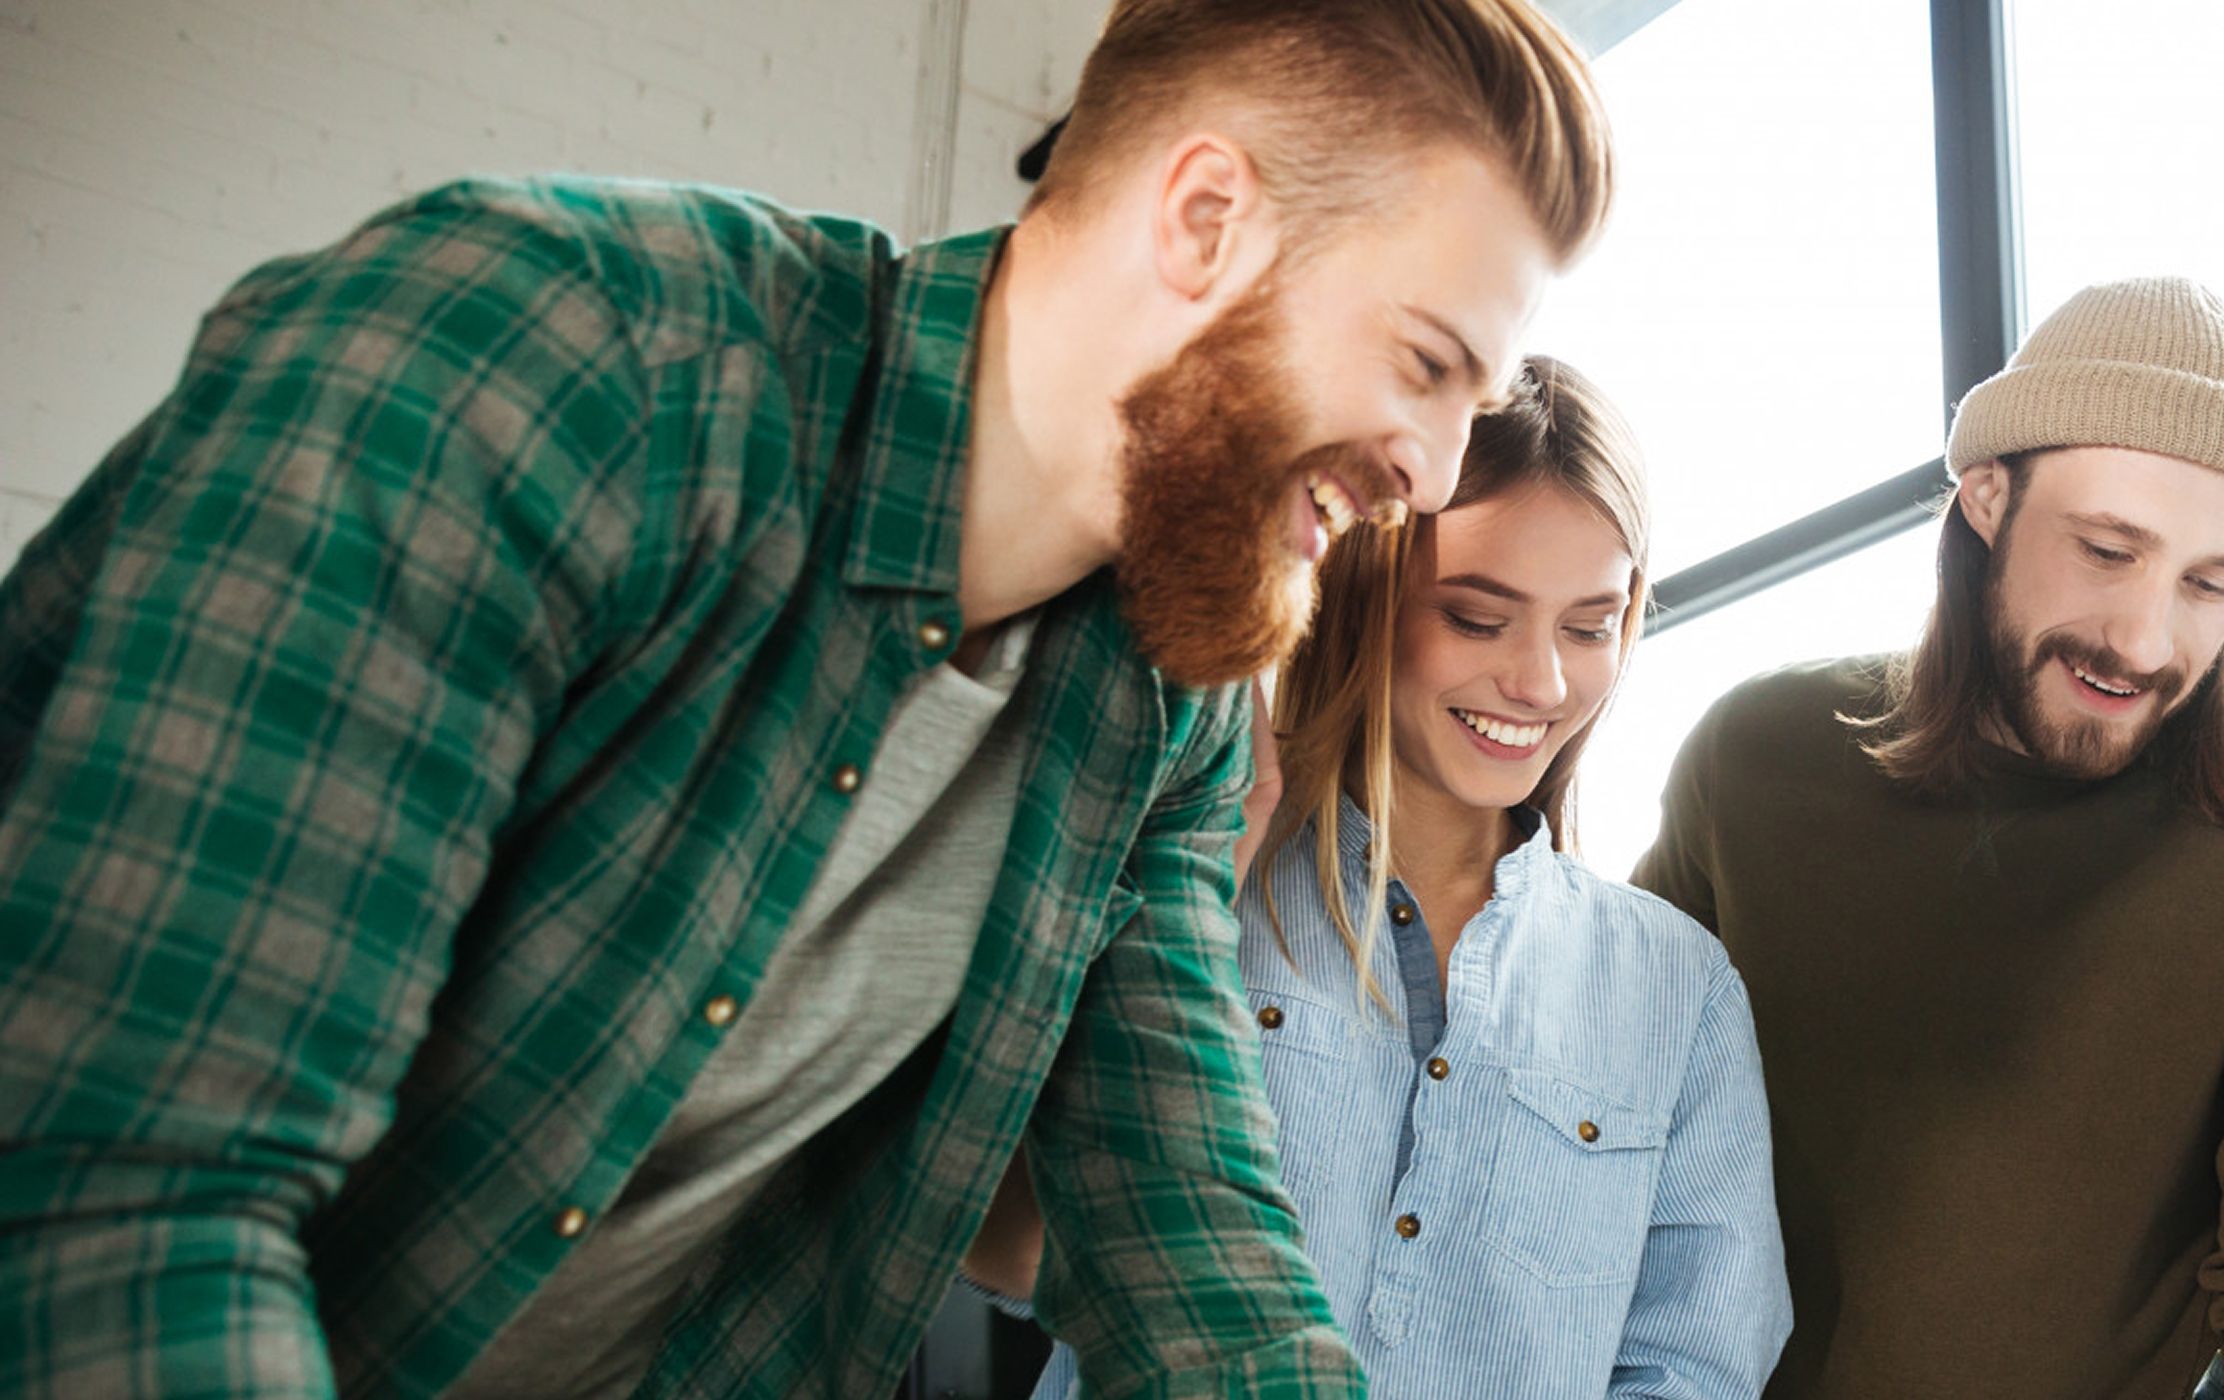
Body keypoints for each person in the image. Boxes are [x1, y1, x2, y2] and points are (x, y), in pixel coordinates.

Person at [0, 1, 1611, 1394]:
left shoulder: (1162, 711)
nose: (1432, 478)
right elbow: (123, 1201)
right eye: (1424, 365)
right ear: (1203, 221)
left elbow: (1195, 1266)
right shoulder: (566, 363)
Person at [1631, 277, 2224, 1398]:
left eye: (2210, 584)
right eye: (2108, 550)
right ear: (1988, 497)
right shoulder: (1757, 756)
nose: (2147, 639)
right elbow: (1601, 1135)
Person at [974, 357, 1790, 1397]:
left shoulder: (1679, 988)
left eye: (1588, 626)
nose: (1540, 681)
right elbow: (1005, 1243)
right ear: (1363, 596)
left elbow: (1696, 1366)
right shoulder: (1196, 871)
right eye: (1477, 616)